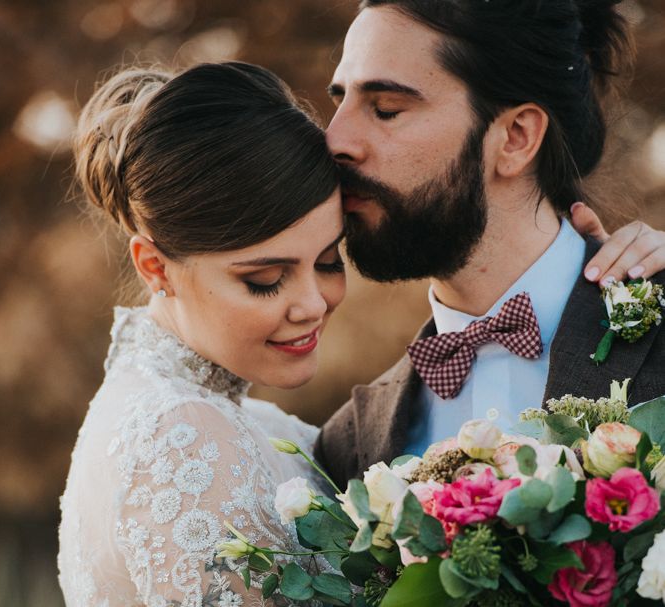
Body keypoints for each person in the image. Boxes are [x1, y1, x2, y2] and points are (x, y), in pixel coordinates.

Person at [315, 0, 665, 487]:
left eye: (386, 109)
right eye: (339, 103)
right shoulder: (346, 445)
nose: (335, 140)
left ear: (516, 137)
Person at [57, 62, 346, 607]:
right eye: (265, 280)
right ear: (156, 267)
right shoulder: (181, 437)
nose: (313, 304)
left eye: (330, 261)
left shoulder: (234, 420)